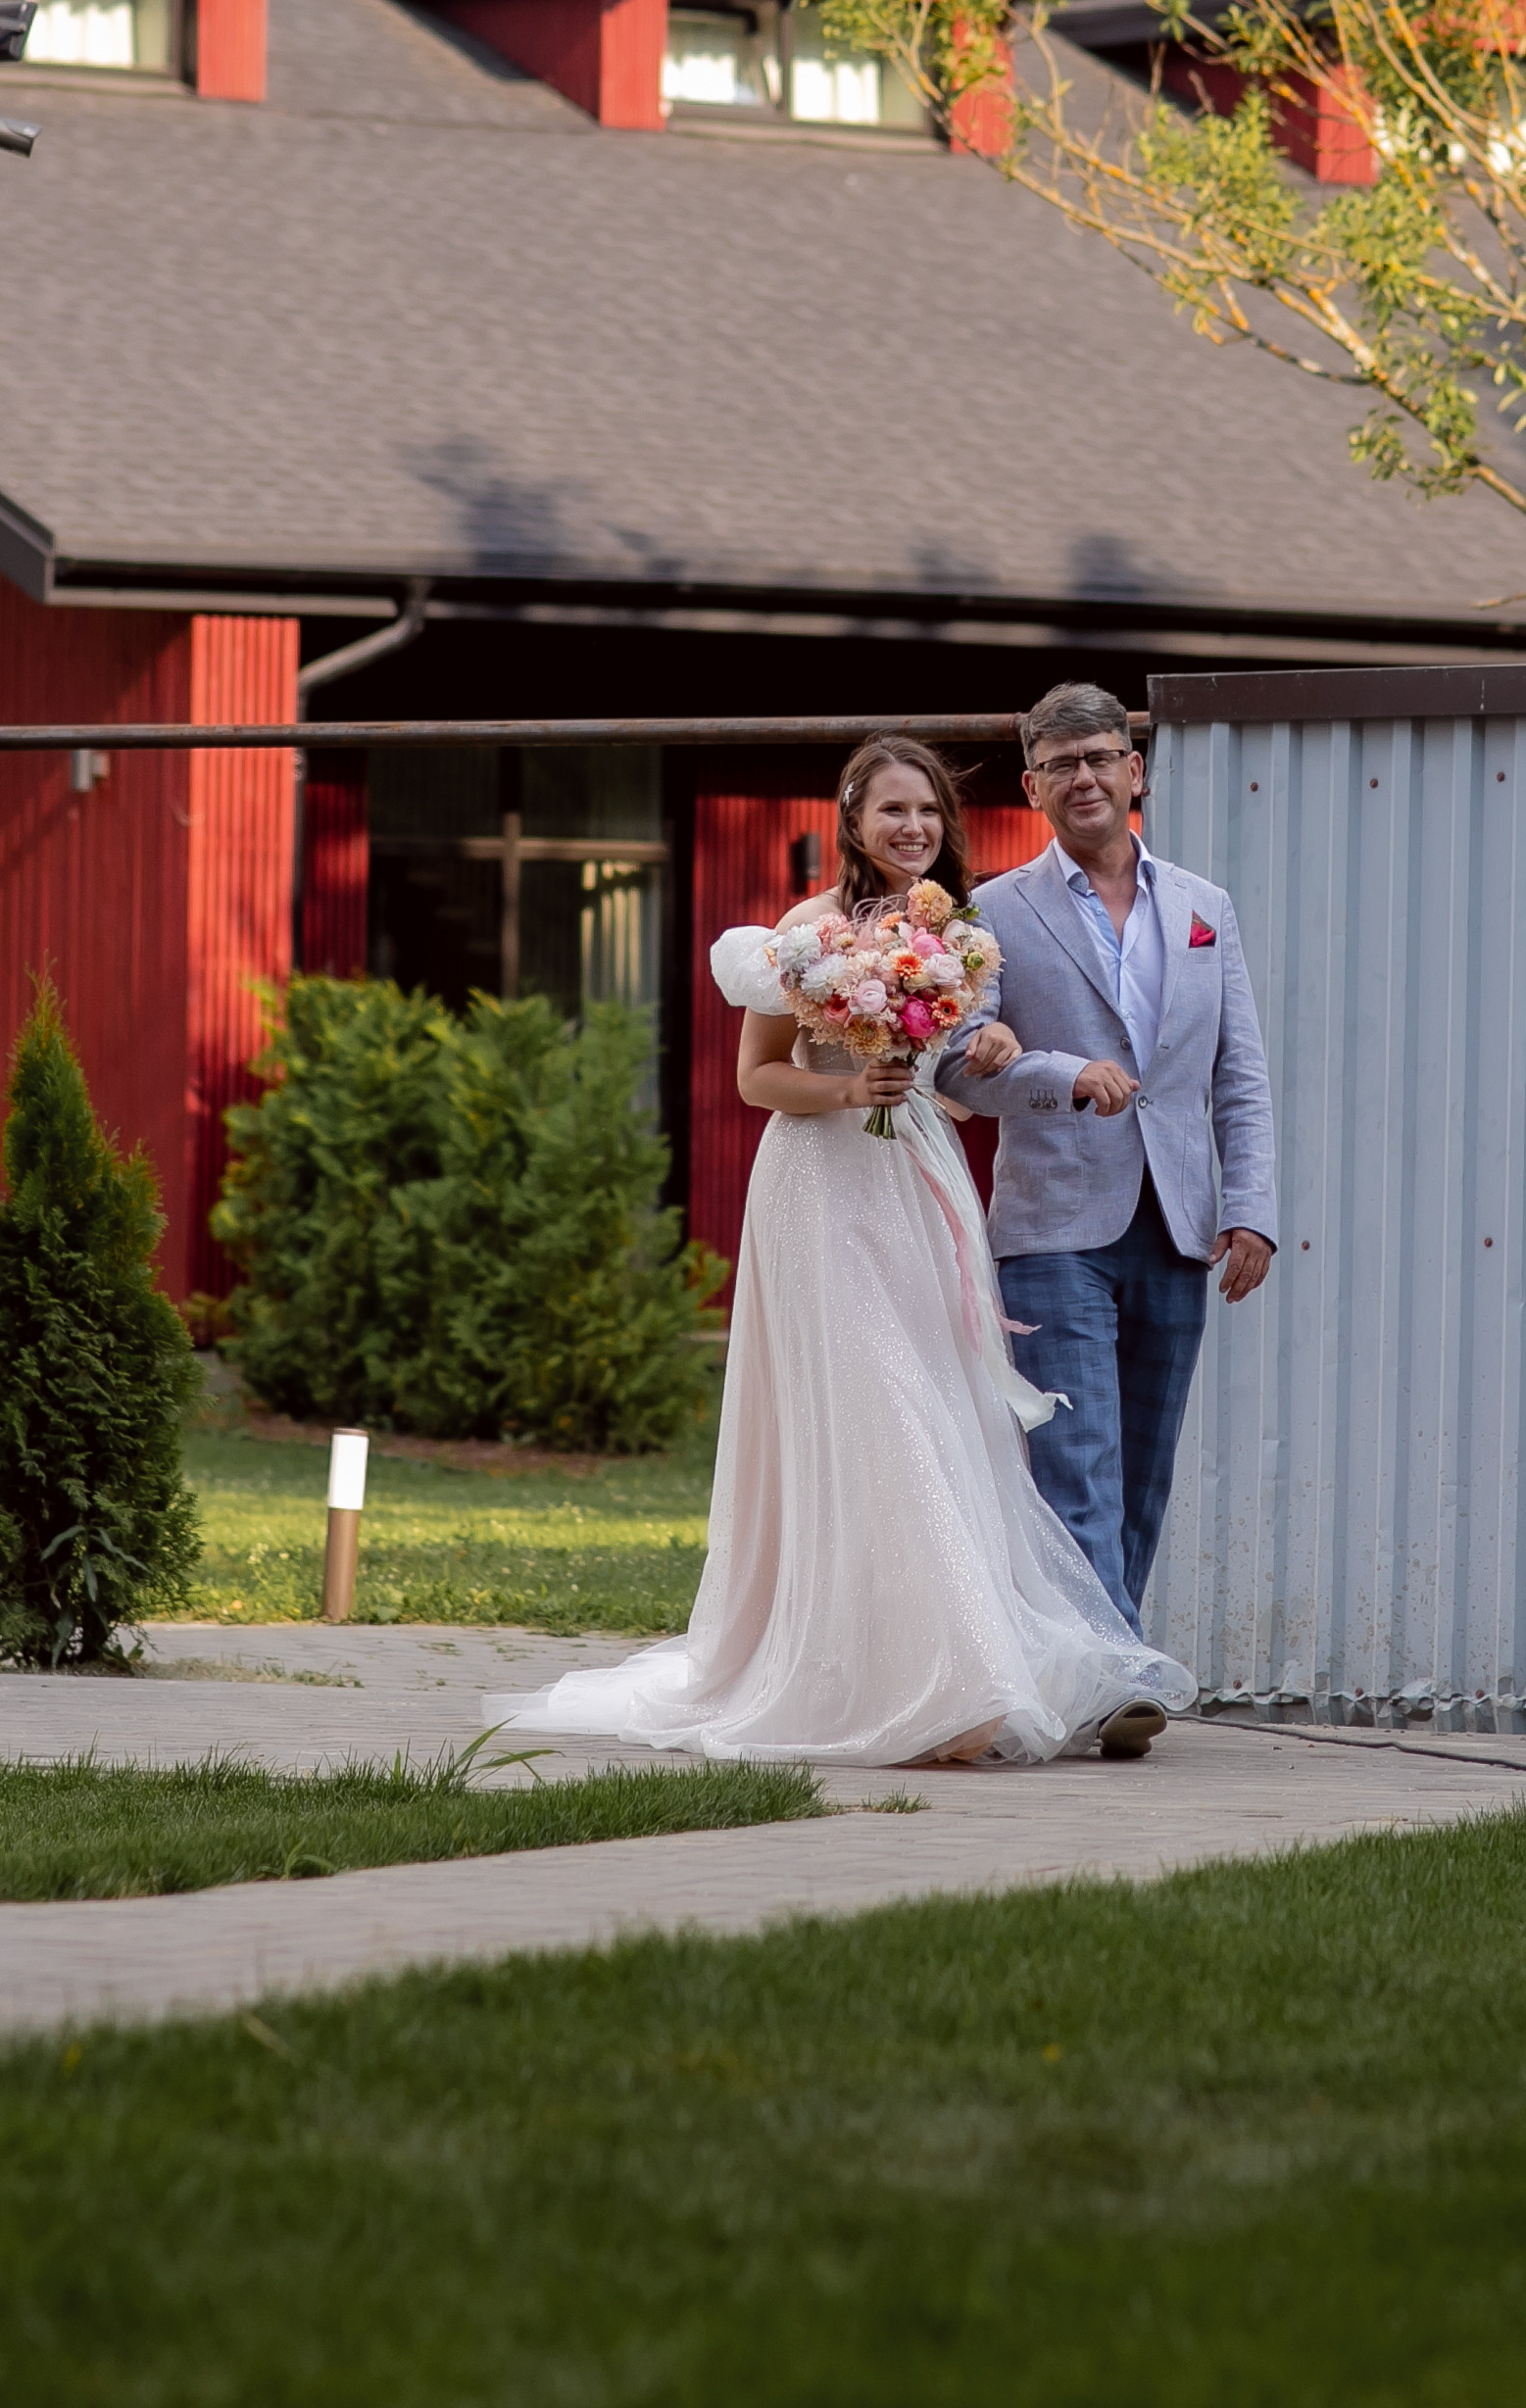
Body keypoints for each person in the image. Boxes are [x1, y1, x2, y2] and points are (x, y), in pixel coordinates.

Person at [487, 733, 1195, 1769]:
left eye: (928, 811)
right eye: (892, 810)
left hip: (918, 1179)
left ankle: (945, 1661)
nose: (913, 828)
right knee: (882, 1412)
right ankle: (933, 1683)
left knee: (942, 1417)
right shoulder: (808, 930)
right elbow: (757, 1077)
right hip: (823, 1186)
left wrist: (986, 1046)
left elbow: (953, 1077)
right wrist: (848, 1087)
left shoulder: (955, 932)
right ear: (853, 821)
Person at [934, 683, 1277, 1629]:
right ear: (1031, 787)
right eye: (1058, 765)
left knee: (1142, 1472)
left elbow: (1238, 1072)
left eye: (1097, 759)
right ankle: (1119, 1671)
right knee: (1075, 1466)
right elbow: (957, 1068)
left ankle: (1095, 1659)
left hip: (1176, 1226)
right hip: (1052, 1231)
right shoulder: (989, 910)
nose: (1081, 778)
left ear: (1134, 771)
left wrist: (1250, 1207)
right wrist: (1064, 1074)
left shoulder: (1205, 907)